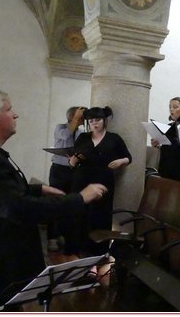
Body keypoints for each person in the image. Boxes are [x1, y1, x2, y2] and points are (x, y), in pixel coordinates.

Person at [0, 88, 106, 311]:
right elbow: (18, 208)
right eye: (9, 109)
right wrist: (79, 198)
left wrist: (37, 189)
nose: (15, 115)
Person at [69, 106, 131, 256]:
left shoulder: (114, 138)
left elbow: (128, 157)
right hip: (82, 179)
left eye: (98, 120)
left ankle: (100, 250)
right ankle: (80, 248)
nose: (95, 124)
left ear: (104, 121)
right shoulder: (83, 137)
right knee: (81, 213)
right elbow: (72, 161)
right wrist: (72, 161)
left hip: (104, 180)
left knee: (101, 214)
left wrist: (121, 161)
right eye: (91, 121)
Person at [47, 106, 85, 252]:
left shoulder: (81, 132)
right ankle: (52, 237)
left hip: (73, 170)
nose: (82, 120)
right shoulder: (60, 127)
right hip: (59, 170)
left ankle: (66, 234)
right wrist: (76, 118)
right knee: (55, 201)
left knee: (70, 203)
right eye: (80, 117)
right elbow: (66, 135)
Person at [151, 97, 180, 181]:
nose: (171, 109)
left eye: (175, 107)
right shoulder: (168, 126)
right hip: (165, 165)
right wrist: (158, 144)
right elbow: (167, 146)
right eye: (170, 107)